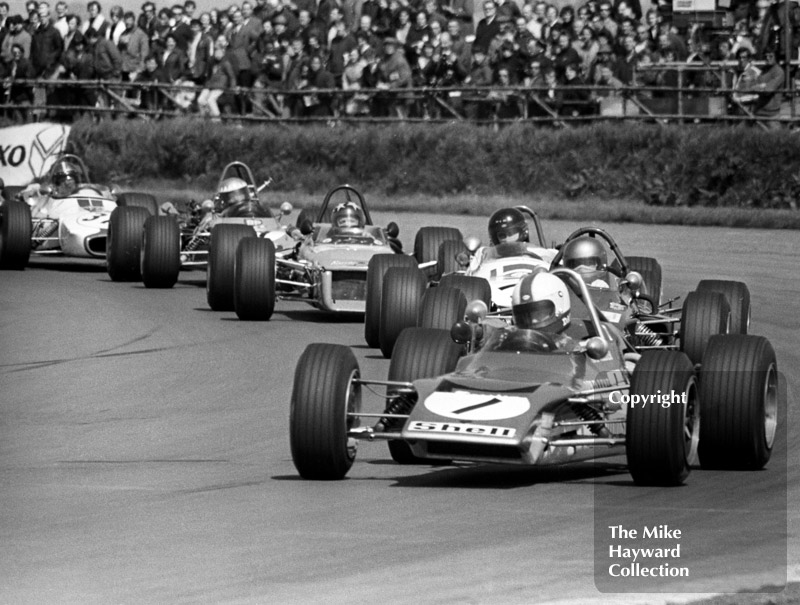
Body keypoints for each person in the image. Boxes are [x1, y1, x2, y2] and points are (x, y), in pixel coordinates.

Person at [508, 270, 573, 350]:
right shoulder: (514, 349)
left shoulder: (573, 351)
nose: (533, 321)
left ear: (559, 310)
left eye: (539, 314)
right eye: (525, 317)